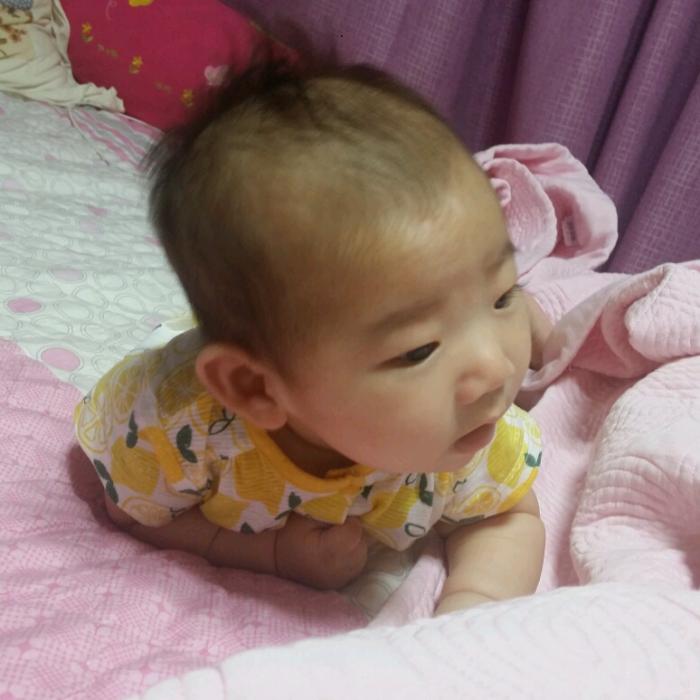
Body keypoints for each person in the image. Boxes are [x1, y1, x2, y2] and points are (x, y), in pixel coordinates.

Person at [74, 57, 551, 616]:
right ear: (255, 389)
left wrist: (473, 606)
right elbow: (133, 512)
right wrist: (270, 554)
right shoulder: (174, 431)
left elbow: (508, 516)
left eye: (503, 294)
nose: (496, 369)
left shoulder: (470, 430)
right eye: (418, 350)